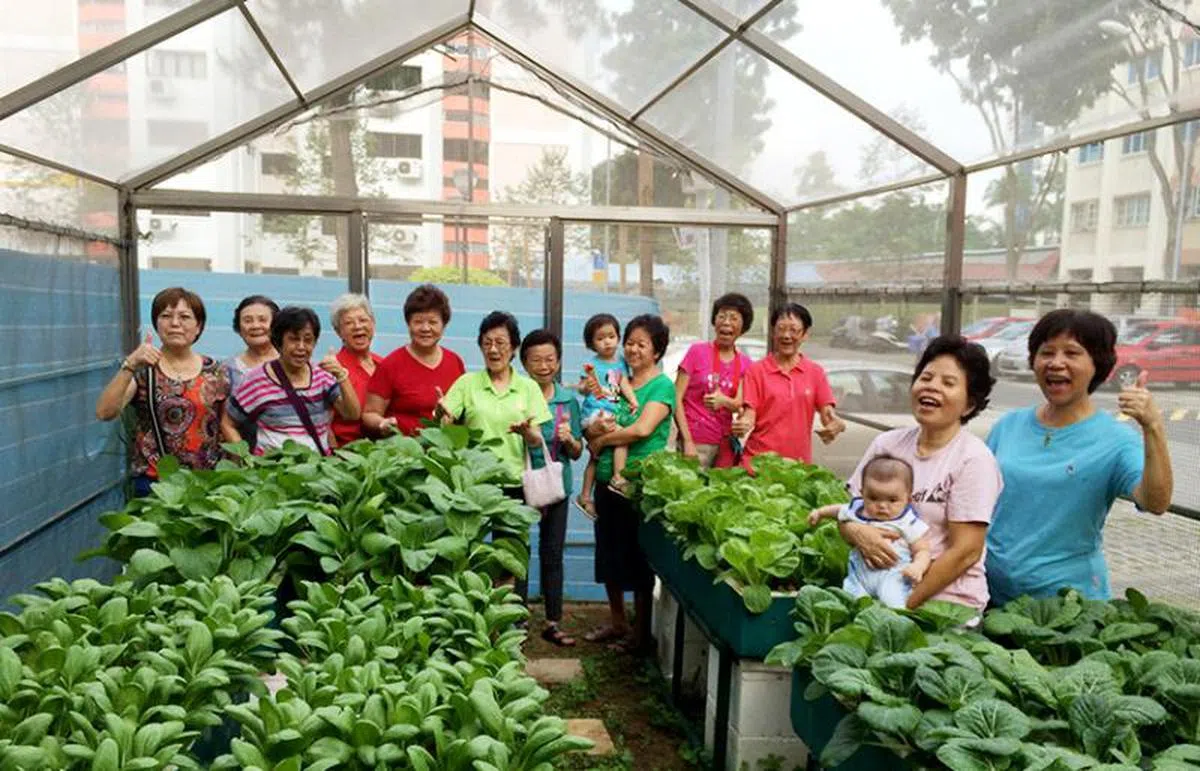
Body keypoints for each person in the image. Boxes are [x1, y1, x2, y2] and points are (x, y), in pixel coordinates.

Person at [985, 310, 1173, 606]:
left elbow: (1155, 501)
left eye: (1072, 353)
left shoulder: (1116, 438)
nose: (1056, 363)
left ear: (1098, 365)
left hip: (1067, 605)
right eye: (1046, 352)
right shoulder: (1009, 425)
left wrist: (1153, 428)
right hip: (989, 592)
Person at [837, 336, 1003, 613]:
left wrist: (902, 607)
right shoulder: (886, 445)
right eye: (926, 377)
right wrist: (856, 531)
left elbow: (966, 552)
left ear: (969, 405)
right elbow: (849, 514)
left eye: (948, 383)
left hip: (942, 606)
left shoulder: (973, 460)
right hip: (874, 593)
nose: (932, 387)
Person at [583, 314, 675, 655]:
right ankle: (618, 621)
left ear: (657, 351)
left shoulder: (661, 386)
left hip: (637, 486)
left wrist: (604, 442)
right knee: (609, 554)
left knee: (638, 559)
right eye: (630, 343)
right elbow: (595, 422)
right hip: (606, 482)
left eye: (642, 344)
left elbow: (642, 430)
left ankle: (639, 634)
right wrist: (594, 434)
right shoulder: (618, 382)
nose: (633, 349)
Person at [95, 287, 229, 497]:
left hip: (208, 483)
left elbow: (227, 423)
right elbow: (105, 412)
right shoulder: (142, 371)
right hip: (154, 483)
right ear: (157, 324)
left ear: (199, 326)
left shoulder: (216, 371)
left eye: (185, 317)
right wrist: (130, 364)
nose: (175, 323)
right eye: (166, 316)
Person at [519, 329, 584, 647]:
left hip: (557, 487)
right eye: (536, 360)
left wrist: (571, 439)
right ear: (524, 363)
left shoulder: (567, 399)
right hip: (521, 485)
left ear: (558, 362)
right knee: (518, 552)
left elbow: (577, 452)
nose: (543, 366)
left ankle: (553, 622)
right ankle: (515, 620)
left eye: (550, 359)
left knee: (552, 553)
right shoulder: (517, 397)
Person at [221, 306, 360, 456]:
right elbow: (228, 423)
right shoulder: (256, 380)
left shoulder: (323, 377)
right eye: (293, 339)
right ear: (279, 341)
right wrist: (246, 460)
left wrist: (342, 376)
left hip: (317, 471)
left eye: (308, 340)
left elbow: (352, 414)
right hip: (272, 471)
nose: (301, 347)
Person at [438, 311, 551, 487]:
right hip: (475, 482)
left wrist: (526, 432)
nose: (493, 349)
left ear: (514, 347)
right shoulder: (466, 383)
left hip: (515, 483)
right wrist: (441, 416)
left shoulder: (529, 387)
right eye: (487, 343)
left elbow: (536, 440)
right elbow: (446, 425)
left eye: (500, 343)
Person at [809, 455, 932, 609]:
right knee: (852, 605)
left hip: (894, 575)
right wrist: (819, 513)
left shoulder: (907, 522)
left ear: (908, 498)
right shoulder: (859, 510)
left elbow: (923, 549)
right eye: (873, 498)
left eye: (892, 500)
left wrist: (918, 567)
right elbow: (839, 510)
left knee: (894, 604)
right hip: (859, 576)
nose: (882, 505)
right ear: (862, 493)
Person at [734, 303, 845, 463]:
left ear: (805, 334)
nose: (786, 335)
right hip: (758, 462)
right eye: (781, 329)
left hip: (798, 466)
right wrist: (743, 424)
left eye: (794, 330)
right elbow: (750, 413)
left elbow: (828, 415)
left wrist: (836, 424)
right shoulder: (756, 370)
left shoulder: (815, 372)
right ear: (773, 332)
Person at [362, 284, 465, 437]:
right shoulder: (391, 365)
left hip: (444, 453)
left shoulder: (455, 362)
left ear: (444, 325)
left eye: (432, 322)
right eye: (418, 322)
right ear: (408, 324)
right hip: (403, 453)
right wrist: (382, 423)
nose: (425, 328)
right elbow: (369, 414)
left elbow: (464, 413)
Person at [674, 293, 756, 469]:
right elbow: (676, 397)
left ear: (744, 327)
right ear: (714, 321)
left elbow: (739, 404)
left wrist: (726, 403)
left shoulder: (746, 364)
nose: (726, 322)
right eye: (722, 316)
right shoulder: (697, 352)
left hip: (725, 444)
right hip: (695, 442)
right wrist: (687, 441)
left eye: (734, 318)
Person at [575, 314, 639, 516]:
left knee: (596, 456)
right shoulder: (591, 365)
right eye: (600, 338)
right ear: (592, 344)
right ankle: (618, 478)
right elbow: (583, 388)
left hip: (609, 412)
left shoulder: (620, 362)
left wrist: (633, 401)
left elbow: (624, 384)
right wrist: (586, 386)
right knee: (621, 437)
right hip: (594, 414)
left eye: (611, 336)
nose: (607, 342)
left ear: (618, 337)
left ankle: (585, 496)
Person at [224, 295, 279, 448]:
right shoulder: (227, 370)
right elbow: (225, 421)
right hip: (247, 459)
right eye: (248, 321)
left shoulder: (294, 364)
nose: (255, 326)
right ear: (239, 328)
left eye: (262, 320)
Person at [328, 293, 382, 447]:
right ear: (338, 331)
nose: (358, 326)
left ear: (373, 324)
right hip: (347, 453)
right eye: (349, 323)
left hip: (385, 452)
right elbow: (323, 424)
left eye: (363, 320)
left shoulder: (384, 364)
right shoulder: (332, 368)